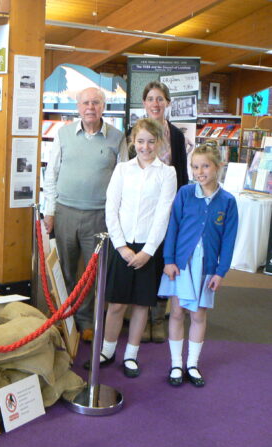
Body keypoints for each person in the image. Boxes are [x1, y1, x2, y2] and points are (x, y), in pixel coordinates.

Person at [87, 119, 176, 376]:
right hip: (121, 245)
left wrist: (148, 251)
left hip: (149, 247)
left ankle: (131, 355)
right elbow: (111, 208)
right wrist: (121, 246)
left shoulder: (167, 173)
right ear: (132, 143)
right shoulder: (123, 170)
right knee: (115, 304)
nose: (145, 147)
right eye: (140, 141)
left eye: (150, 141)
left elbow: (163, 214)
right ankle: (107, 350)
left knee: (140, 305)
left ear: (158, 142)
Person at [44, 87, 126, 342]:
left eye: (96, 103)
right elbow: (51, 174)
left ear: (104, 107)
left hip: (99, 216)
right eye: (86, 103)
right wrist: (50, 211)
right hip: (66, 212)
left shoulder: (117, 137)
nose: (91, 107)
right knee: (66, 269)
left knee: (92, 273)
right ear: (78, 107)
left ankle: (86, 321)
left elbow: (122, 180)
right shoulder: (64, 134)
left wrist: (117, 217)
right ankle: (64, 319)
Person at [158, 141, 238, 387]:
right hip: (181, 264)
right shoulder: (184, 194)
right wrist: (169, 260)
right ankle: (175, 364)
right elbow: (173, 227)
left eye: (205, 166)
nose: (199, 172)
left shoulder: (227, 201)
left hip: (206, 268)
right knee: (178, 311)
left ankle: (192, 363)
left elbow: (229, 240)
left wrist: (221, 271)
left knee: (199, 314)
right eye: (195, 167)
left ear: (218, 167)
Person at [138, 81, 190, 343]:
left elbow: (182, 176)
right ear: (144, 103)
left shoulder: (177, 136)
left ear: (167, 103)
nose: (155, 103)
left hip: (168, 211)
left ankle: (158, 319)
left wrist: (181, 212)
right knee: (143, 261)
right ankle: (141, 318)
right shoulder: (134, 131)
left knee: (162, 262)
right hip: (142, 210)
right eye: (150, 99)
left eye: (160, 99)